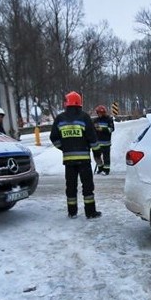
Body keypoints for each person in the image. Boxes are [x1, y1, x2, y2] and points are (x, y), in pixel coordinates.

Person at [50, 91, 102, 219]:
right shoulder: (84, 117)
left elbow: (53, 137)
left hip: (69, 161)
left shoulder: (60, 118)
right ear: (79, 103)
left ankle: (72, 212)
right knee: (88, 187)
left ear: (67, 103)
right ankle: (90, 212)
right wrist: (97, 154)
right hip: (84, 160)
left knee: (71, 187)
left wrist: (64, 148)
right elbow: (93, 139)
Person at [92, 104, 115, 175]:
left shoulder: (109, 119)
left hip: (106, 142)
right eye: (98, 113)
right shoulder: (95, 120)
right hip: (97, 142)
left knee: (106, 157)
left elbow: (111, 129)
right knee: (96, 156)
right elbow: (92, 130)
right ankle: (100, 167)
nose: (100, 114)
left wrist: (103, 129)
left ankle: (106, 170)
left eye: (101, 113)